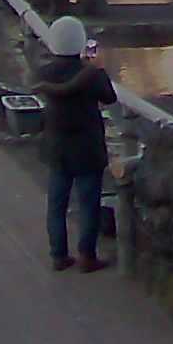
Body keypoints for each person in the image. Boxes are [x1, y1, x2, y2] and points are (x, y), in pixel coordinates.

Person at [34, 16, 119, 273]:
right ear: (81, 42)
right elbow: (110, 98)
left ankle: (58, 255)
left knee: (56, 204)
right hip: (87, 148)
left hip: (57, 147)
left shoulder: (45, 73)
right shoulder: (90, 75)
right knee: (88, 203)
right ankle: (86, 256)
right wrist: (98, 68)